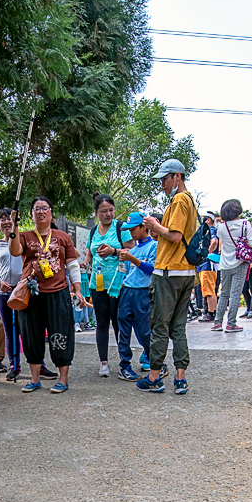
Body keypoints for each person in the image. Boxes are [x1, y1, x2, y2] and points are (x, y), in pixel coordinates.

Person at [9, 197, 82, 394]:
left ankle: (63, 379)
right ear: (31, 214)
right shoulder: (24, 235)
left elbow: (72, 265)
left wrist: (78, 290)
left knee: (61, 334)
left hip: (58, 293)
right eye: (36, 209)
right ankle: (35, 379)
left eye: (44, 208)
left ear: (51, 212)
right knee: (31, 335)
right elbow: (14, 250)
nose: (41, 212)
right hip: (31, 294)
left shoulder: (63, 237)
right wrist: (13, 227)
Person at [139, 158, 198, 395]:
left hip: (169, 272)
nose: (162, 184)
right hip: (185, 272)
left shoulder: (180, 200)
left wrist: (155, 224)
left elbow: (174, 235)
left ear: (177, 176)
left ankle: (154, 377)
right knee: (178, 326)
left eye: (165, 178)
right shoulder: (190, 201)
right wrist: (160, 232)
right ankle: (180, 377)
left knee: (160, 325)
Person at [85, 193, 129, 377]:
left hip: (118, 283)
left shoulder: (121, 227)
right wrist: (85, 262)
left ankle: (124, 361)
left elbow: (132, 250)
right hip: (98, 284)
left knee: (119, 322)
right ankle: (103, 362)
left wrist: (114, 251)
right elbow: (89, 253)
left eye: (111, 210)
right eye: (104, 211)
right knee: (102, 323)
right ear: (96, 213)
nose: (108, 214)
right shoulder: (93, 232)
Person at [114, 211, 155, 380]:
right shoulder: (133, 249)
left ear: (143, 227)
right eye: (128, 229)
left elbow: (151, 269)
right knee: (123, 330)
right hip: (126, 291)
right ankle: (124, 365)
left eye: (133, 228)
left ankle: (155, 361)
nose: (131, 232)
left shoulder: (153, 246)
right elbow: (125, 272)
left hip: (143, 293)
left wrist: (132, 258)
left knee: (144, 331)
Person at [0, 208, 24, 377]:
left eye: (10, 218)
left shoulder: (23, 242)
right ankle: (14, 366)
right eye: (2, 219)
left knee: (27, 329)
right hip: (2, 293)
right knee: (9, 330)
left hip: (22, 292)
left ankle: (38, 365)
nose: (6, 222)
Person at [212, 199, 252, 333]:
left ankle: (217, 322)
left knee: (224, 293)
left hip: (224, 264)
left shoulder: (222, 227)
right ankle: (231, 323)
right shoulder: (245, 224)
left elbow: (221, 240)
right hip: (240, 262)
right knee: (235, 294)